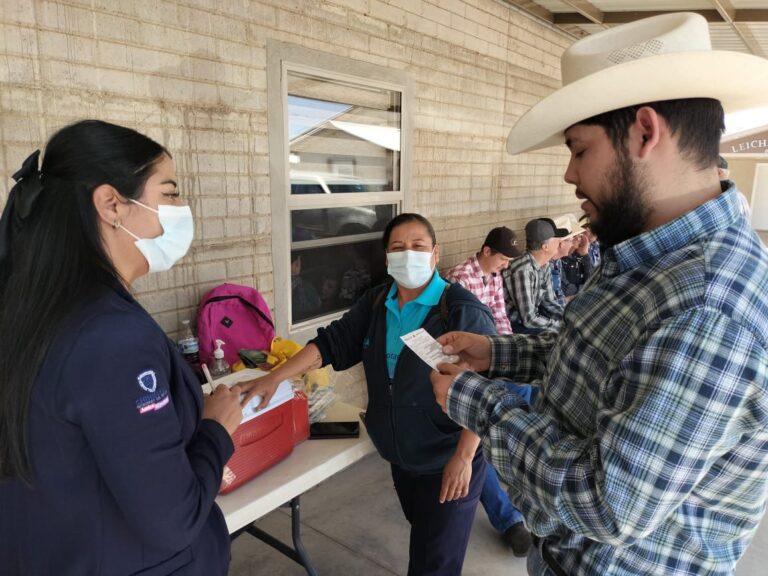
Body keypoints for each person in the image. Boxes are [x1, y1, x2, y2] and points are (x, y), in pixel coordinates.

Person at [431, 12, 768, 576]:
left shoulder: (709, 304)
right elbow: (606, 363)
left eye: (579, 149)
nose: (569, 174)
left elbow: (608, 502)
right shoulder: (651, 254)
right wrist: (498, 356)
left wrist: (475, 401)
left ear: (644, 132)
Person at [0, 120, 243, 575]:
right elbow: (174, 518)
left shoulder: (31, 311)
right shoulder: (111, 338)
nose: (182, 207)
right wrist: (216, 428)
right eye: (169, 194)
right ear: (112, 204)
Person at [240, 213, 496, 575]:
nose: (409, 254)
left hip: (445, 458)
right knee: (424, 541)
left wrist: (465, 456)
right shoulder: (377, 303)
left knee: (434, 564)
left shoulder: (460, 310)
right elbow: (332, 342)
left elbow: (486, 387)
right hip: (399, 455)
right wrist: (275, 378)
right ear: (387, 257)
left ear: (435, 254)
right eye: (398, 247)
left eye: (419, 247)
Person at [444, 226, 533, 555]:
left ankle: (507, 451)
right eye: (502, 258)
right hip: (464, 366)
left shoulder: (493, 275)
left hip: (491, 357)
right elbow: (458, 342)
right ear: (484, 251)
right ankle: (509, 520)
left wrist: (506, 358)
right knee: (474, 449)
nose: (506, 266)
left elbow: (501, 319)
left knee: (524, 388)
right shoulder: (459, 280)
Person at [502, 218, 566, 334]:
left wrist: (567, 319)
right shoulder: (523, 270)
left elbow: (550, 302)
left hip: (533, 321)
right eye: (557, 240)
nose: (561, 243)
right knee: (558, 336)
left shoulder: (544, 265)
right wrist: (558, 326)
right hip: (515, 325)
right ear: (545, 247)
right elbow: (529, 319)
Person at [560, 232, 594, 299]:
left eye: (580, 236)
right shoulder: (560, 258)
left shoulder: (579, 256)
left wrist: (585, 254)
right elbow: (567, 290)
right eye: (575, 236)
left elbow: (591, 277)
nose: (579, 239)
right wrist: (587, 288)